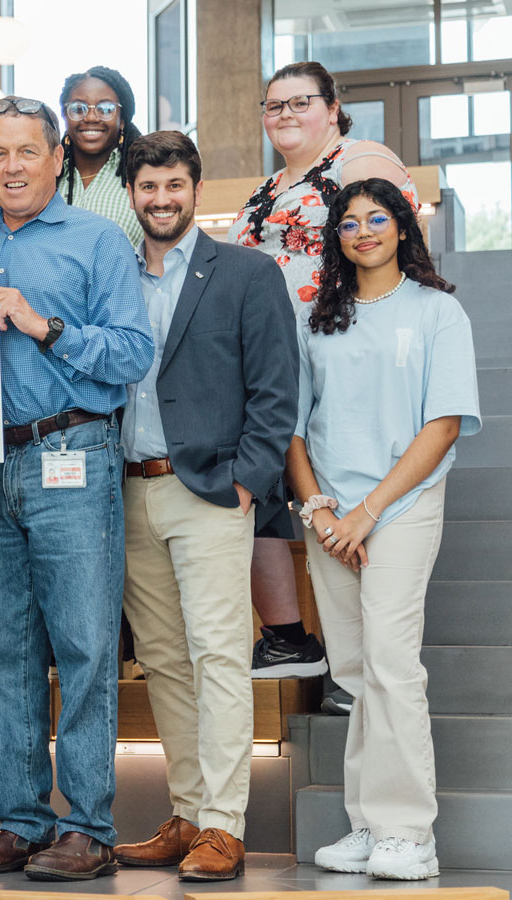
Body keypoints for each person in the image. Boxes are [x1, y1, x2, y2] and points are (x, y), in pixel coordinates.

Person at [0, 96, 153, 881]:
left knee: (86, 647)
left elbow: (131, 355)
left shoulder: (98, 241)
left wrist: (42, 324)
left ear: (58, 159)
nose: (13, 166)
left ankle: (87, 827)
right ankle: (21, 821)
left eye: (29, 151)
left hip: (74, 455)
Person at [111, 132, 297, 881]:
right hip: (127, 489)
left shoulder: (247, 273)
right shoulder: (114, 275)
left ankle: (224, 824)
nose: (161, 199)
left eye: (175, 186)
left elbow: (278, 389)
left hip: (212, 492)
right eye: (148, 187)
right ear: (131, 192)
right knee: (161, 661)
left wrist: (249, 479)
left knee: (218, 656)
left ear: (195, 188)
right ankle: (189, 814)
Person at [290, 178, 479, 881]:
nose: (362, 230)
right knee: (356, 670)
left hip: (400, 507)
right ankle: (369, 824)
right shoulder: (318, 319)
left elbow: (445, 422)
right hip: (329, 517)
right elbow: (294, 428)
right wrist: (321, 511)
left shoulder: (436, 313)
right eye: (348, 222)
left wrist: (368, 512)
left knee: (394, 666)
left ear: (402, 227)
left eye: (377, 218)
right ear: (334, 239)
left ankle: (410, 833)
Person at [229, 60, 418, 687]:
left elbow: (396, 247)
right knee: (267, 494)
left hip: (340, 355)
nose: (284, 114)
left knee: (346, 501)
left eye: (299, 101)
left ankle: (366, 672)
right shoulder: (270, 187)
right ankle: (294, 641)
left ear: (332, 107)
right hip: (268, 367)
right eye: (273, 105)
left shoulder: (360, 160)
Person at [54, 66, 143, 248]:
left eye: (106, 109)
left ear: (123, 120)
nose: (91, 117)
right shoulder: (49, 177)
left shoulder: (140, 176)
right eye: (79, 108)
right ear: (65, 116)